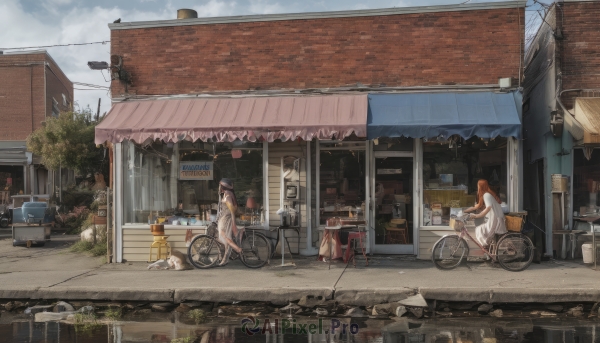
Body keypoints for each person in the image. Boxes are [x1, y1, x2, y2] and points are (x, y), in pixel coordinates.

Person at [463, 179, 506, 247]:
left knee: (481, 231)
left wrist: (477, 215)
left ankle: (486, 248)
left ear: (480, 186)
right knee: (482, 231)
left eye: (478, 186)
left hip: (495, 218)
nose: (477, 188)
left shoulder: (486, 195)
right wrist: (463, 211)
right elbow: (476, 207)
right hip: (494, 217)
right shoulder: (487, 194)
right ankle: (488, 249)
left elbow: (488, 208)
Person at [216, 178, 243, 266]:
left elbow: (232, 211)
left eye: (220, 185)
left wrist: (233, 223)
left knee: (225, 237)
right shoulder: (226, 194)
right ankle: (225, 258)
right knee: (223, 237)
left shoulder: (227, 195)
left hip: (226, 219)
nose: (219, 187)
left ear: (223, 186)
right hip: (224, 218)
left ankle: (237, 249)